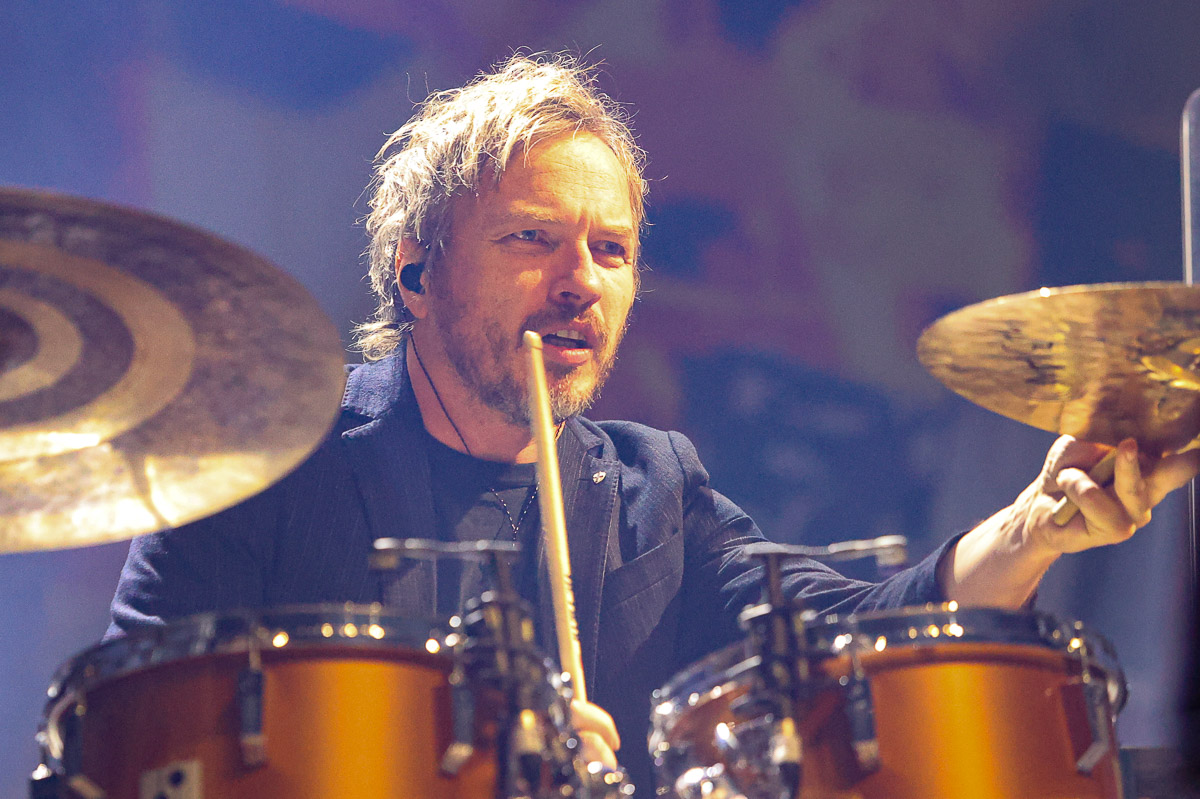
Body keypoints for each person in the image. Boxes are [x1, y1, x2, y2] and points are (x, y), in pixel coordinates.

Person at [107, 53, 1200, 792]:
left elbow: (852, 636)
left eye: (612, 250)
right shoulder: (259, 466)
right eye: (532, 238)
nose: (581, 281)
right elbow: (132, 740)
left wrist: (1035, 527)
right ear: (416, 272)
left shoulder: (654, 492)